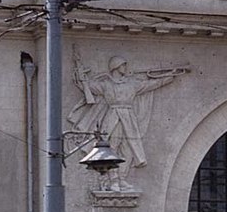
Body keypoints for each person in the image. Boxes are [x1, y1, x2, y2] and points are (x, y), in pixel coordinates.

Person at [68, 54, 189, 191]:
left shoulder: (132, 84)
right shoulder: (106, 85)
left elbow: (151, 84)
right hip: (112, 116)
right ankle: (112, 181)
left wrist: (170, 76)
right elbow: (88, 86)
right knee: (111, 148)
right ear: (116, 67)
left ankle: (122, 178)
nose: (125, 67)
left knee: (128, 150)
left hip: (129, 118)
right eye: (123, 65)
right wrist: (80, 76)